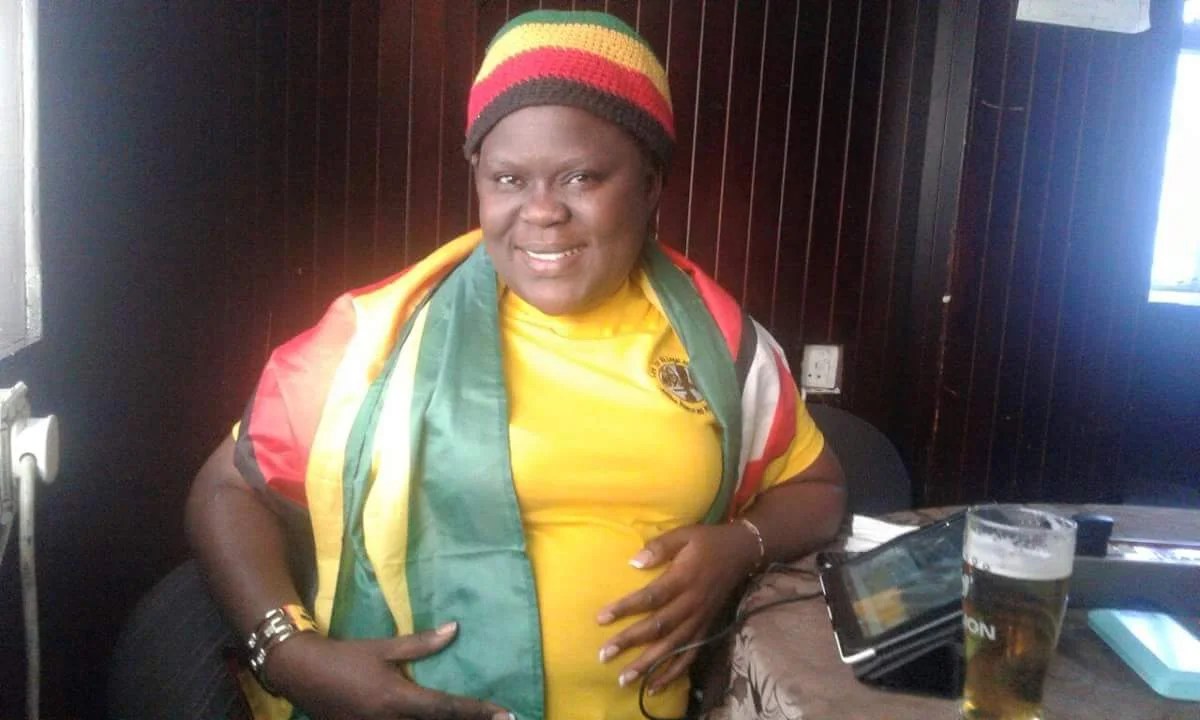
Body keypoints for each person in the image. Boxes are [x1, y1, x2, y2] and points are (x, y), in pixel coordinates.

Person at [185, 10, 846, 720]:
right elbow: (226, 488)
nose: (541, 212)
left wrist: (739, 547)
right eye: (508, 179)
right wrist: (289, 654)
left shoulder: (719, 343)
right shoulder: (374, 339)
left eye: (581, 177)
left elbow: (819, 487)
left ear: (651, 183)